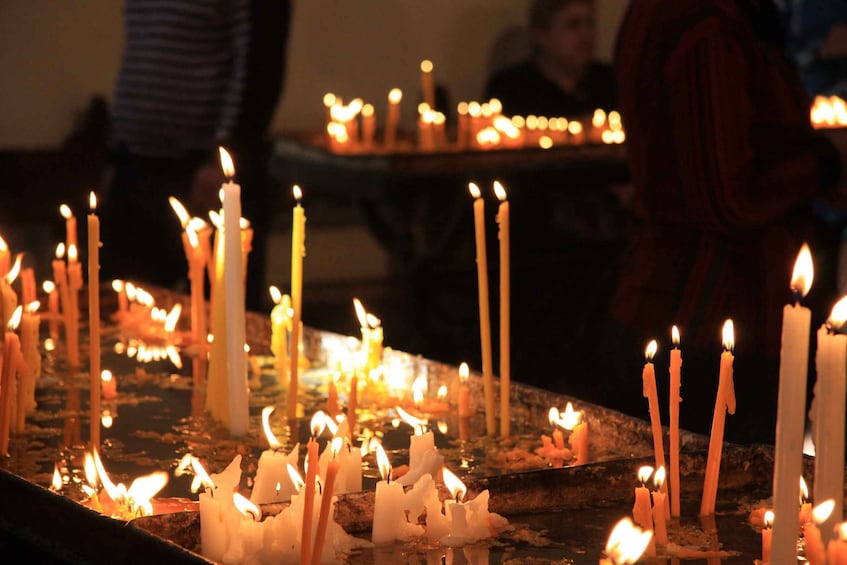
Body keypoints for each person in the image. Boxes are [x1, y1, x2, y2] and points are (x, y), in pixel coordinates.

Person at [604, 0, 847, 443]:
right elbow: (724, 199)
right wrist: (825, 163)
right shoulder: (704, 23)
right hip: (709, 316)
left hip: (699, 307)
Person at [100, 0, 291, 311]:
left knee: (214, 321)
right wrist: (114, 153)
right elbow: (142, 54)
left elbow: (260, 64)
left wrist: (223, 157)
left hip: (199, 172)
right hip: (133, 163)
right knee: (125, 313)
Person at [483, 0, 617, 118]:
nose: (585, 34)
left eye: (590, 24)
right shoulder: (510, 90)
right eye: (573, 25)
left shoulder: (610, 81)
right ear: (541, 34)